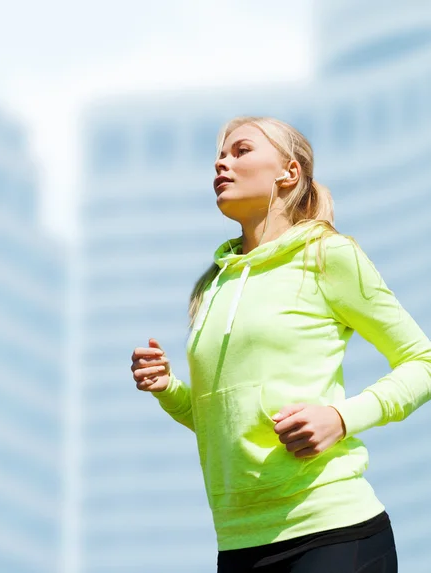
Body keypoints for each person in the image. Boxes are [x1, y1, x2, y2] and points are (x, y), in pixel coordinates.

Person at [130, 116, 431, 572]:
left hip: (332, 530)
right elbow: (224, 421)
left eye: (241, 151)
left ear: (288, 173)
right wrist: (168, 389)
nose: (221, 162)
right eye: (220, 154)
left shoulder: (327, 255)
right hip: (238, 545)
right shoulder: (212, 287)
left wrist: (339, 418)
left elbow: (422, 362)